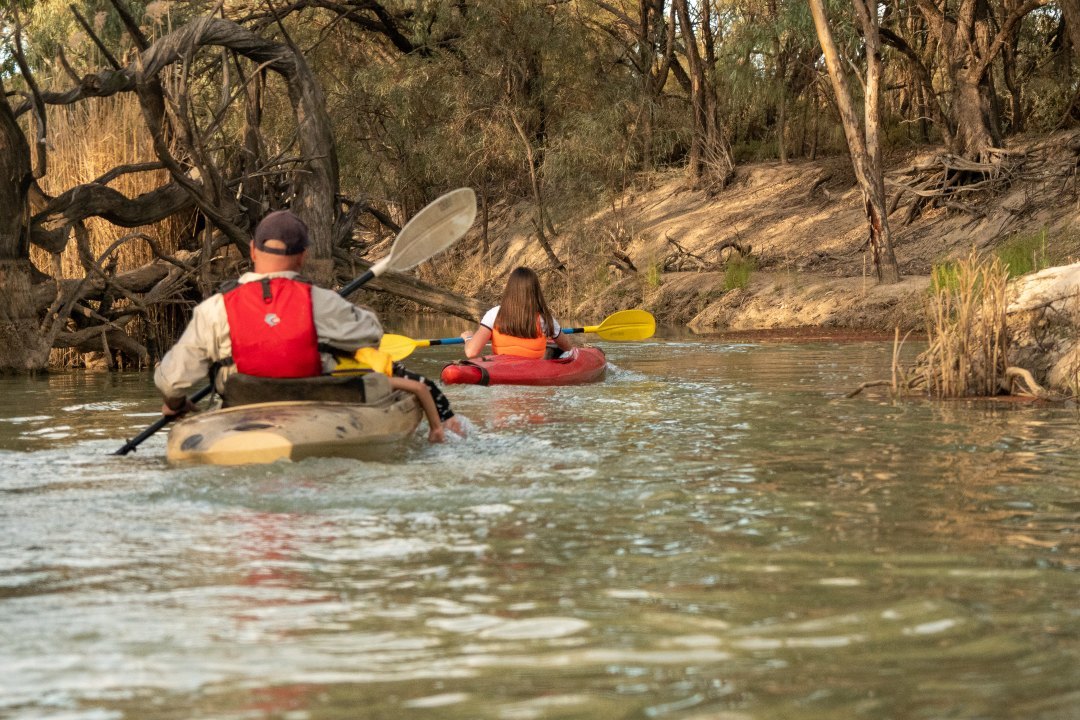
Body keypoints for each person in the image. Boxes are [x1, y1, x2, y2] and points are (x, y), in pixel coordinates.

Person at [154, 209, 460, 442]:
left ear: (252, 250)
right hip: (321, 406)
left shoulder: (213, 309)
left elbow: (172, 381)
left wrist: (175, 403)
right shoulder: (323, 302)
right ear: (303, 257)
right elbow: (372, 338)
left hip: (242, 407)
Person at [461, 266, 573, 359]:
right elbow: (568, 347)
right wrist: (550, 334)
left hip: (502, 372)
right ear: (535, 291)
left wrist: (469, 338)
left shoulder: (493, 314)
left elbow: (471, 352)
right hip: (532, 373)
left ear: (509, 289)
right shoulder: (545, 319)